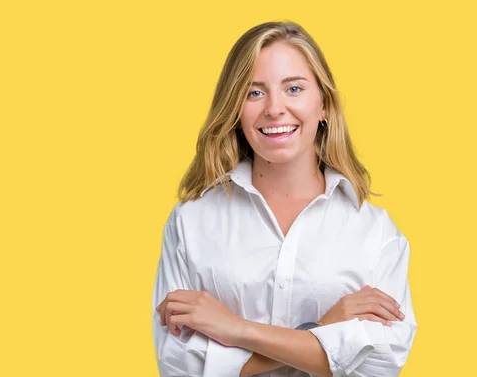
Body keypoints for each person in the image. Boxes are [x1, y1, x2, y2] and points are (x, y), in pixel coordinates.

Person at [151, 21, 417, 377]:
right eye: (254, 92)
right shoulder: (192, 222)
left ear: (324, 104)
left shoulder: (374, 232)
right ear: (235, 109)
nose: (275, 109)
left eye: (294, 88)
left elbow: (378, 365)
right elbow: (181, 366)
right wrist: (325, 332)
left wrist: (233, 329)